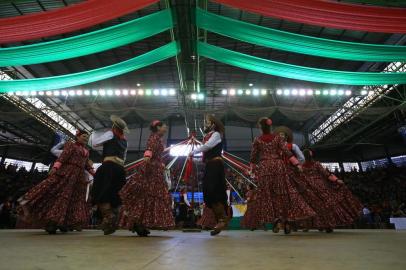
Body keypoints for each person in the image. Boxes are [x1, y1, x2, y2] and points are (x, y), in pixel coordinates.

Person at [249, 117, 315, 234]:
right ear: (270, 127)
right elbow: (287, 153)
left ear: (260, 127)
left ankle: (276, 219)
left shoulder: (257, 140)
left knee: (269, 194)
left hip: (265, 169)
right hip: (279, 167)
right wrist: (297, 165)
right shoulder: (278, 138)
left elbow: (253, 157)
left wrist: (251, 170)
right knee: (283, 194)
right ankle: (287, 221)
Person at [19, 130, 93, 234]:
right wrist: (55, 167)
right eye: (84, 136)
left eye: (87, 137)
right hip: (68, 172)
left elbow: (86, 165)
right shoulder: (71, 145)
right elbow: (63, 157)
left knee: (73, 198)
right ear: (78, 137)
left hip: (78, 177)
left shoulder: (86, 151)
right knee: (60, 196)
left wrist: (93, 172)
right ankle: (52, 223)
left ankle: (64, 222)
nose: (86, 138)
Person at [119, 120, 175, 236]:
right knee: (147, 194)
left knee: (149, 195)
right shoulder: (154, 137)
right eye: (164, 127)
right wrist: (147, 157)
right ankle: (138, 223)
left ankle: (141, 223)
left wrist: (161, 159)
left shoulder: (158, 139)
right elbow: (149, 149)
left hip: (156, 169)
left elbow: (155, 152)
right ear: (158, 127)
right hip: (152, 170)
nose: (166, 129)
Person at [302, 149, 362, 232]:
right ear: (311, 155)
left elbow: (301, 177)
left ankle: (315, 225)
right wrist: (337, 180)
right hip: (321, 187)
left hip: (309, 189)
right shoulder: (317, 164)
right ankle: (327, 226)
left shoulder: (303, 166)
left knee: (313, 207)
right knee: (327, 206)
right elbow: (327, 174)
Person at [189, 115, 228, 236]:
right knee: (209, 192)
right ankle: (220, 220)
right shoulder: (209, 136)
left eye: (207, 122)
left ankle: (222, 219)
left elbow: (208, 146)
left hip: (215, 165)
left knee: (213, 191)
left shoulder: (216, 134)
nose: (205, 124)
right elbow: (206, 146)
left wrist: (193, 151)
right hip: (210, 165)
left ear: (213, 124)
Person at [89, 115, 128, 235]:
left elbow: (94, 143)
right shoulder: (124, 141)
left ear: (114, 126)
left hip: (108, 167)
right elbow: (124, 157)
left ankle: (109, 216)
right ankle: (113, 220)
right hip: (120, 169)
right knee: (116, 195)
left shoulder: (110, 134)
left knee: (100, 192)